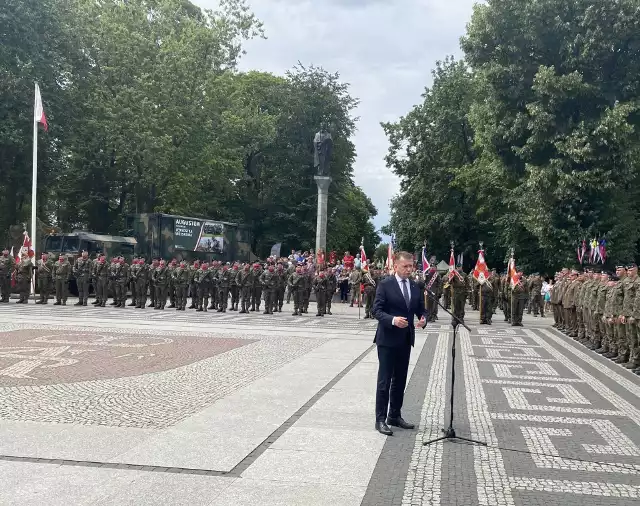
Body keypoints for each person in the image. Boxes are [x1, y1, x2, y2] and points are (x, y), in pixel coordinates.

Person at [372, 251, 427, 436]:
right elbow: (376, 311)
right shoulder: (385, 284)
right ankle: (380, 419)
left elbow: (421, 309)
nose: (409, 269)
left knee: (400, 380)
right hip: (387, 340)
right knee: (384, 381)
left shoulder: (414, 285)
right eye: (405, 266)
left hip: (405, 339)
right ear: (395, 266)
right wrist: (393, 320)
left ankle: (394, 415)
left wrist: (423, 319)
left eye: (411, 266)